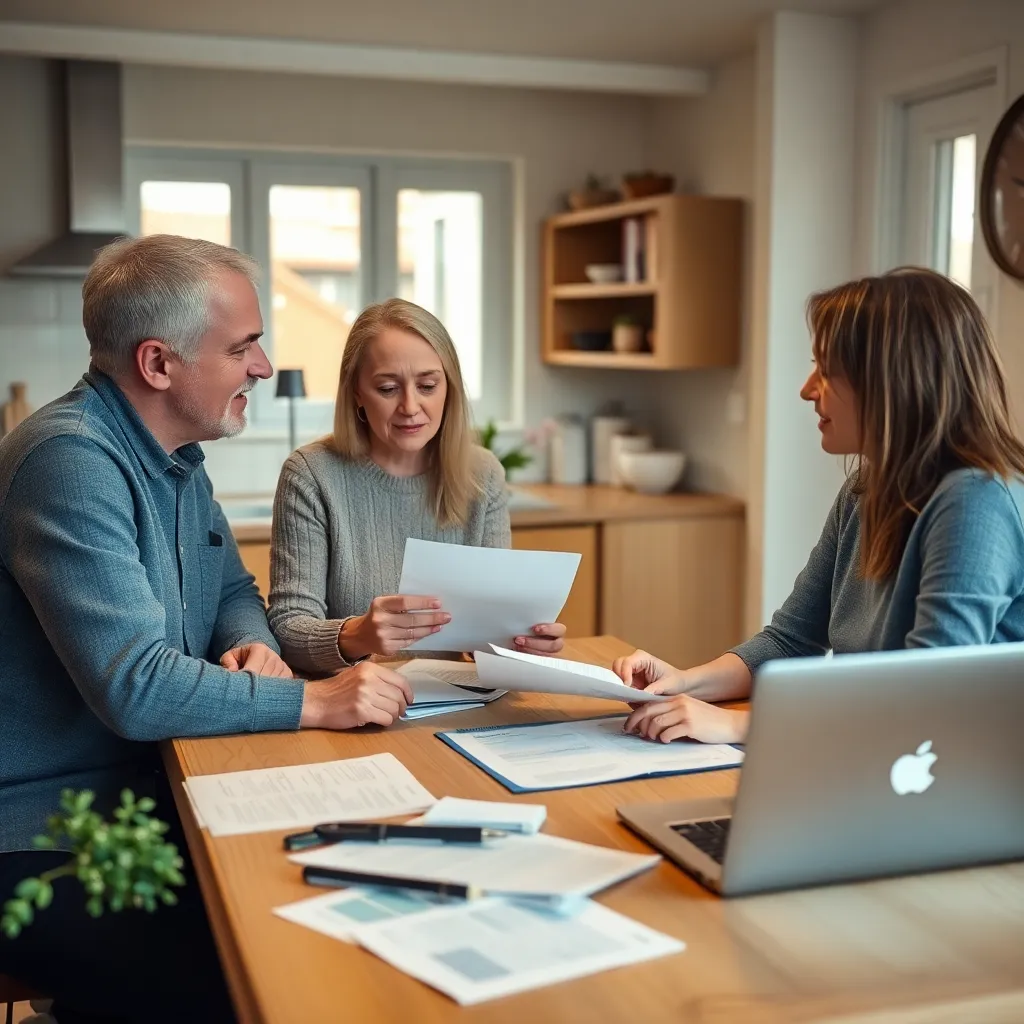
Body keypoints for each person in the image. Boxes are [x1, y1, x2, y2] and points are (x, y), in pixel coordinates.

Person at [0, 235, 414, 1023]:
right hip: (39, 828)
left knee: (331, 892)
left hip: (153, 788)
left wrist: (248, 643)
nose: (261, 367)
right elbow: (135, 688)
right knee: (252, 956)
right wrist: (317, 703)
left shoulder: (176, 457)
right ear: (159, 365)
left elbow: (233, 587)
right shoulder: (70, 462)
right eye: (243, 346)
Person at [617, 267, 1024, 745]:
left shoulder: (976, 503)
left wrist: (736, 725)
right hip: (870, 763)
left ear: (891, 382)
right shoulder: (866, 489)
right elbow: (791, 641)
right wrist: (683, 682)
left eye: (826, 371)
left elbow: (927, 701)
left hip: (947, 782)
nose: (808, 389)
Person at [268, 298, 565, 671]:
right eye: (388, 388)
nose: (410, 406)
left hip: (453, 701)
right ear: (356, 392)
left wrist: (518, 642)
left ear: (449, 388)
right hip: (349, 707)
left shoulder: (482, 473)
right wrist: (359, 635)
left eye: (427, 385)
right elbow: (288, 629)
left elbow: (486, 641)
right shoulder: (312, 474)